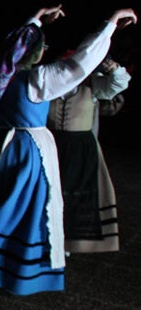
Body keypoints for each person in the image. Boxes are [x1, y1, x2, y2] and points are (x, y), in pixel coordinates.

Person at [0, 5, 137, 295]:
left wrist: (36, 19)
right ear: (36, 52)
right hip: (28, 151)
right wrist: (110, 24)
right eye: (42, 46)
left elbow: (14, 47)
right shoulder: (38, 80)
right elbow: (81, 63)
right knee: (20, 208)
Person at [46, 55, 130, 253]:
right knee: (51, 191)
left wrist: (113, 68)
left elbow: (119, 84)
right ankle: (48, 236)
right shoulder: (49, 83)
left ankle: (69, 241)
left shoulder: (92, 84)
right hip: (53, 144)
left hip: (81, 148)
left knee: (76, 191)